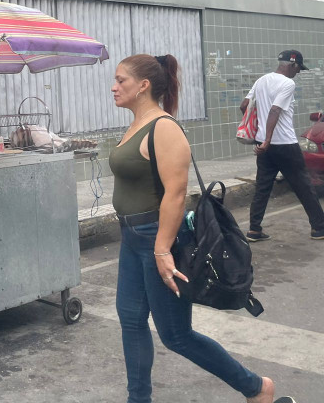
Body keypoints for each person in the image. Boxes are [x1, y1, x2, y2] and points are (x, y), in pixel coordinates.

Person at [110, 54, 277, 403]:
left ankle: (257, 388)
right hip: (131, 238)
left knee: (176, 335)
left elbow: (175, 193)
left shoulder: (163, 127)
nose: (114, 87)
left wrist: (161, 250)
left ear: (143, 86)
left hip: (157, 238)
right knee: (131, 321)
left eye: (121, 80)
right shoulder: (136, 124)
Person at [239, 50, 324, 242]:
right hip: (284, 144)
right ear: (292, 65)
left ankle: (254, 230)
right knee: (303, 185)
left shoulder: (261, 80)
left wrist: (260, 135)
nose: (298, 73)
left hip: (264, 146)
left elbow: (245, 105)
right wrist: (268, 138)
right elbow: (275, 110)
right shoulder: (288, 83)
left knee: (262, 187)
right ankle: (319, 228)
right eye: (298, 69)